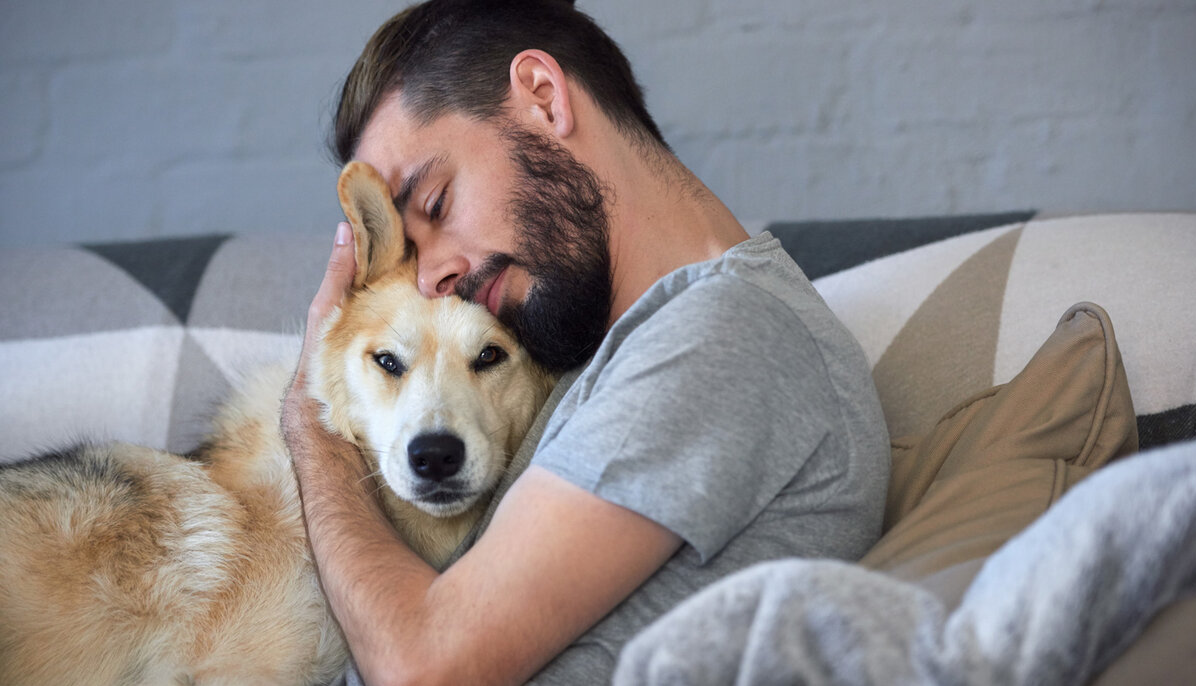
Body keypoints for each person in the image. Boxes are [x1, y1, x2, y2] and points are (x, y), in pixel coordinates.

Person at [280, 1, 890, 684]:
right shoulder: (600, 346)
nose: (432, 275)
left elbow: (425, 668)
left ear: (543, 97)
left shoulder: (726, 332)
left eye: (438, 204)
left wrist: (310, 415)